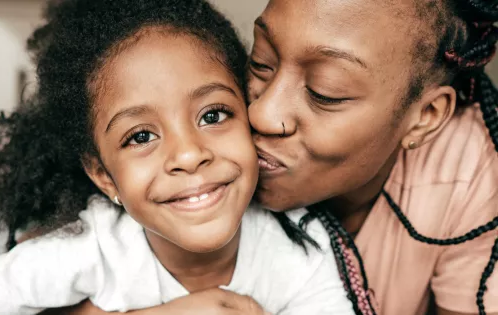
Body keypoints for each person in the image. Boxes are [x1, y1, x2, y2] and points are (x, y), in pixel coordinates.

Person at [53, 0, 498, 314]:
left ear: (424, 118)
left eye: (326, 91)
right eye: (262, 62)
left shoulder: (470, 174)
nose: (262, 113)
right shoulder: (177, 169)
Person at [0, 0, 354, 314]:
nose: (189, 155)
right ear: (103, 176)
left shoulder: (300, 247)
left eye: (213, 115)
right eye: (140, 136)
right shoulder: (93, 249)